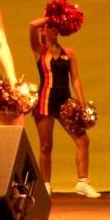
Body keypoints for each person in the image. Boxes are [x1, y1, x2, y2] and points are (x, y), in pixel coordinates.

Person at [29, 16, 100, 198]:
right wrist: (53, 14)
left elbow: (75, 79)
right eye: (50, 27)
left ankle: (82, 183)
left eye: (56, 27)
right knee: (46, 146)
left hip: (64, 103)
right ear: (43, 30)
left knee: (83, 140)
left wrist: (81, 103)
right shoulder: (39, 50)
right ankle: (45, 185)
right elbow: (32, 25)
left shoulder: (69, 53)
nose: (54, 29)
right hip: (45, 101)